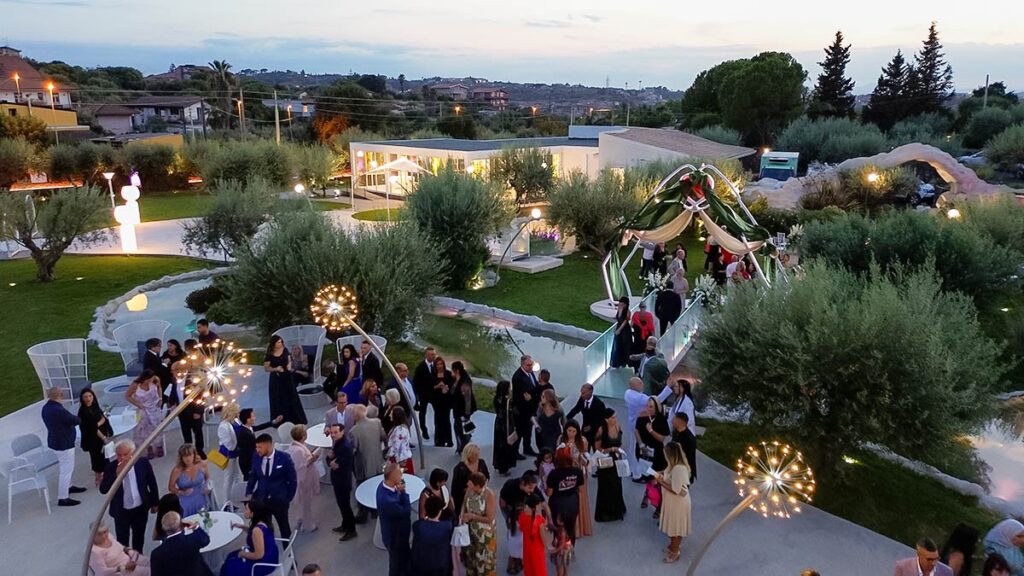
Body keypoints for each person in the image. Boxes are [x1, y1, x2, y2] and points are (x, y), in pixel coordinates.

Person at [101, 440, 161, 553]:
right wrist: (116, 475)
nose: (122, 458)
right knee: (122, 540)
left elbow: (151, 482)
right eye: (119, 455)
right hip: (121, 511)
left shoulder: (142, 463)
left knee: (139, 537)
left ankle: (138, 557)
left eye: (125, 454)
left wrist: (155, 502)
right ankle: (125, 559)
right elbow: (103, 489)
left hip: (140, 508)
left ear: (132, 453)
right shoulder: (111, 467)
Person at [246, 433, 297, 540]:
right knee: (264, 529)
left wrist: (288, 498)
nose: (257, 450)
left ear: (268, 445)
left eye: (260, 447)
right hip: (261, 500)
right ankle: (267, 548)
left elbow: (292, 480)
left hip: (279, 501)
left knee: (284, 527)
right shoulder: (256, 456)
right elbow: (253, 476)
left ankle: (288, 548)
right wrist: (249, 493)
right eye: (256, 447)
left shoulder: (284, 458)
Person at [499, 472, 545, 576]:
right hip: (510, 510)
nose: (532, 491)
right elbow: (503, 504)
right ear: (523, 483)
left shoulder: (532, 489)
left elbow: (543, 503)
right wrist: (510, 517)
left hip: (520, 513)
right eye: (530, 488)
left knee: (517, 536)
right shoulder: (510, 486)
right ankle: (514, 560)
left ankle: (517, 558)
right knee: (514, 534)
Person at [220, 500, 279, 576]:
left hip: (264, 563)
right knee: (232, 555)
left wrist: (242, 554)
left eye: (246, 509)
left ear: (253, 513)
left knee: (229, 567)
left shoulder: (257, 530)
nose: (243, 511)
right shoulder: (263, 522)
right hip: (271, 555)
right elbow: (254, 535)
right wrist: (241, 526)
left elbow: (259, 555)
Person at [656, 442, 692, 563]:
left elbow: (676, 490)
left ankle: (675, 552)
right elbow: (671, 478)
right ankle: (673, 546)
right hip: (674, 502)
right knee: (674, 526)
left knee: (675, 528)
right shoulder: (674, 466)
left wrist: (660, 482)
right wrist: (660, 474)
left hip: (678, 503)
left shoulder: (678, 469)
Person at [150, 512, 212, 576]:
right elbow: (205, 539)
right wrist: (196, 527)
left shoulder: (156, 554)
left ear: (163, 528)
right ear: (181, 525)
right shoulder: (191, 540)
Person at [378, 462, 413, 576]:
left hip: (397, 535)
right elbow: (406, 511)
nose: (401, 476)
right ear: (392, 476)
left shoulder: (383, 486)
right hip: (396, 539)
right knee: (396, 565)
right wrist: (404, 493)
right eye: (399, 474)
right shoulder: (388, 501)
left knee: (404, 560)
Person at [558, 421, 592, 538]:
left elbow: (585, 455)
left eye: (574, 431)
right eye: (569, 431)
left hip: (579, 473)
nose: (571, 433)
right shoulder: (561, 440)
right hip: (565, 473)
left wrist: (585, 460)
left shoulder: (582, 441)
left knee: (579, 499)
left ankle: (579, 528)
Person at [172, 340, 206, 456]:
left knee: (197, 432)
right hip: (181, 411)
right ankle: (189, 451)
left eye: (175, 370)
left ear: (181, 370)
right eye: (172, 371)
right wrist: (172, 404)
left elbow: (202, 396)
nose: (173, 373)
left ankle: (200, 450)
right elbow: (173, 394)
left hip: (193, 410)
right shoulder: (175, 381)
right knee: (186, 432)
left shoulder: (193, 380)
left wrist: (198, 411)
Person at [264, 335, 307, 426]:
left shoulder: (285, 350)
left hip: (287, 377)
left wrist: (289, 365)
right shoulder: (269, 354)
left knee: (291, 396)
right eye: (278, 342)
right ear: (274, 343)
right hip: (276, 379)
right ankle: (280, 420)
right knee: (279, 398)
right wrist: (276, 369)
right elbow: (266, 368)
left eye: (281, 342)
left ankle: (296, 418)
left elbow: (289, 360)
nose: (280, 344)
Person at [593, 408, 626, 522]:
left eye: (615, 417)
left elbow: (620, 442)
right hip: (605, 461)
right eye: (612, 417)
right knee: (606, 486)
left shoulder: (618, 427)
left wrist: (619, 450)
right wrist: (611, 449)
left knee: (617, 484)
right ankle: (606, 513)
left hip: (616, 459)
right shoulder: (601, 430)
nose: (615, 419)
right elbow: (597, 448)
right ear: (606, 419)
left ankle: (617, 509)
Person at [287, 424, 321, 533]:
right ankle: (308, 525)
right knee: (306, 502)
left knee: (302, 501)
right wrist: (313, 458)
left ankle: (300, 519)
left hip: (303, 477)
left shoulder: (295, 446)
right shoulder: (298, 450)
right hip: (304, 478)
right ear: (303, 436)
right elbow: (301, 466)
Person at [462, 472, 498, 576]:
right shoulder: (469, 490)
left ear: (477, 486)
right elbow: (464, 503)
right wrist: (462, 514)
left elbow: (489, 518)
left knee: (484, 561)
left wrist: (472, 516)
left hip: (485, 534)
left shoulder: (489, 495)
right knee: (471, 558)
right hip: (471, 531)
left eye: (470, 483)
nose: (468, 484)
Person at [545, 448, 583, 546]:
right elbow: (581, 489)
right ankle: (570, 546)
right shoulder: (577, 471)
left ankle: (557, 544)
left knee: (557, 526)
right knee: (571, 526)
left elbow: (549, 493)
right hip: (572, 502)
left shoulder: (553, 474)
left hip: (557, 503)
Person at [326, 423, 357, 541]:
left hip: (343, 481)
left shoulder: (344, 446)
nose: (333, 435)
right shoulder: (338, 443)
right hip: (338, 480)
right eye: (331, 432)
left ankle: (352, 530)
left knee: (345, 506)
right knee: (341, 505)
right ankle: (345, 525)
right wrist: (330, 460)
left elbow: (340, 465)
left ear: (342, 432)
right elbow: (330, 460)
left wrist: (331, 462)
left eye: (335, 432)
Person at [78, 387, 114, 487]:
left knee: (105, 458)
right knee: (97, 460)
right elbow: (90, 427)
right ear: (82, 399)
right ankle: (98, 479)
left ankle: (106, 478)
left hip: (100, 437)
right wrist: (103, 437)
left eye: (90, 396)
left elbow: (102, 419)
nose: (88, 398)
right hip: (93, 440)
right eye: (85, 397)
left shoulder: (95, 407)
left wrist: (107, 432)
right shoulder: (83, 411)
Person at [126, 370, 165, 459]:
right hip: (142, 408)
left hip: (154, 406)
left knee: (156, 426)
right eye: (148, 380)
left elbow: (159, 387)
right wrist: (138, 404)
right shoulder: (136, 385)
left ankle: (159, 445)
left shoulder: (156, 379)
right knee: (144, 428)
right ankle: (149, 447)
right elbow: (127, 396)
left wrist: (160, 398)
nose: (150, 381)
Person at [236, 409, 282, 483]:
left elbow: (259, 427)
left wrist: (273, 422)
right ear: (248, 420)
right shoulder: (244, 433)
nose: (255, 418)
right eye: (253, 416)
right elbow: (249, 451)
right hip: (248, 463)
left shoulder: (247, 428)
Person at [412, 496, 454, 576]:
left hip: (422, 566)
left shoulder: (418, 526)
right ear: (439, 511)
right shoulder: (447, 526)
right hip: (440, 566)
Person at [168, 443, 210, 517]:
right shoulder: (177, 470)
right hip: (185, 501)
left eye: (190, 455)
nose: (188, 458)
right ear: (181, 457)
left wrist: (206, 487)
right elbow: (171, 487)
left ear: (194, 455)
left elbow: (208, 477)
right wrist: (181, 492)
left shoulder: (202, 464)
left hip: (202, 497)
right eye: (185, 456)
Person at [452, 443, 491, 518]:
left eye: (478, 454)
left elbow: (487, 476)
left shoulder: (481, 463)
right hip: (465, 497)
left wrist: (484, 486)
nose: (477, 457)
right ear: (468, 455)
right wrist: (471, 490)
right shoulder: (459, 469)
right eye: (475, 455)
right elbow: (456, 489)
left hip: (481, 495)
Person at [512, 355, 540, 457]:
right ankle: (515, 451)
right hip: (521, 409)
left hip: (530, 408)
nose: (531, 367)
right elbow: (525, 394)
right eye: (528, 365)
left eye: (531, 365)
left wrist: (535, 394)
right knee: (520, 430)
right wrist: (534, 395)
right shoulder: (518, 377)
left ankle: (527, 448)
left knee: (528, 430)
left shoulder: (530, 372)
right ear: (522, 364)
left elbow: (535, 387)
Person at [622, 377, 649, 483]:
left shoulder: (627, 393)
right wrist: (668, 389)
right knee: (635, 449)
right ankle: (637, 474)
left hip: (631, 424)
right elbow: (656, 401)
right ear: (635, 386)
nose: (643, 384)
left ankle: (631, 469)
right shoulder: (640, 398)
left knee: (632, 448)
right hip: (637, 426)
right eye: (640, 383)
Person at [566, 384, 606, 449]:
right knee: (583, 449)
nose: (582, 395)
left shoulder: (599, 404)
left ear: (590, 392)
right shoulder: (582, 400)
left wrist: (591, 426)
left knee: (596, 450)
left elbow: (601, 419)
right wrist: (566, 418)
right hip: (585, 430)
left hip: (595, 432)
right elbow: (576, 409)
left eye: (583, 393)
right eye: (581, 393)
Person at [217, 403, 242, 503]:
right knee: (228, 478)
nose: (239, 413)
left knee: (237, 475)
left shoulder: (236, 421)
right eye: (237, 411)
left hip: (235, 452)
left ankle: (237, 497)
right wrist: (238, 448)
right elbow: (229, 445)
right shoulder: (223, 426)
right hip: (228, 454)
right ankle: (226, 501)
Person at [492, 380, 519, 476]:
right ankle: (504, 467)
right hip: (507, 425)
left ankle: (498, 464)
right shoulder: (508, 401)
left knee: (499, 445)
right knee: (506, 446)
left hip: (498, 424)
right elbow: (515, 413)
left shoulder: (496, 398)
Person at [452, 360, 478, 455]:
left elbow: (467, 399)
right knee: (459, 428)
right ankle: (461, 446)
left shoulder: (464, 382)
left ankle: (464, 448)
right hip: (458, 409)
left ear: (457, 370)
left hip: (462, 411)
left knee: (461, 430)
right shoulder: (457, 379)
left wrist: (466, 413)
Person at [519, 494, 549, 576]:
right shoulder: (539, 520)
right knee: (539, 569)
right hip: (537, 550)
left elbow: (521, 529)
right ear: (535, 507)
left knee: (529, 568)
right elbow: (543, 537)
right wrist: (546, 547)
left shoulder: (522, 516)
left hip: (527, 548)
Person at [412, 347, 437, 440]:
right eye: (431, 354)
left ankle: (438, 429)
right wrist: (418, 396)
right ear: (426, 355)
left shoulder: (436, 366)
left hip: (434, 394)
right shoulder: (420, 368)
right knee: (423, 413)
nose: (433, 356)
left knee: (438, 412)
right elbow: (416, 383)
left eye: (434, 354)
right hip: (424, 395)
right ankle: (424, 430)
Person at [431, 356, 455, 448]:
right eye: (438, 364)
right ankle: (439, 441)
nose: (440, 366)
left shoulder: (448, 374)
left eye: (441, 364)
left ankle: (449, 440)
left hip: (446, 401)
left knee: (446, 420)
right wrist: (437, 386)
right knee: (438, 421)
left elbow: (453, 385)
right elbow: (430, 387)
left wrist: (447, 387)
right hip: (437, 401)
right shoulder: (433, 375)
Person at [533, 389, 565, 453]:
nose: (541, 398)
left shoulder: (559, 411)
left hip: (554, 436)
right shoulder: (540, 409)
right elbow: (537, 420)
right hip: (543, 436)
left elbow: (563, 424)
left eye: (543, 396)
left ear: (549, 398)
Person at [386, 406, 415, 474]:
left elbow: (397, 447)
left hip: (400, 460)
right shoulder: (399, 427)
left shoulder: (400, 430)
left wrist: (389, 457)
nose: (389, 415)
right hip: (400, 458)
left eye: (391, 413)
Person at [671, 412, 698, 484]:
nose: (672, 421)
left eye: (674, 419)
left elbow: (688, 458)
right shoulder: (675, 433)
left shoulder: (689, 439)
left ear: (680, 421)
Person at [337, 344, 363, 409]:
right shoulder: (356, 358)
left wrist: (345, 384)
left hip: (353, 382)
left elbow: (351, 375)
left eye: (347, 352)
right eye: (344, 352)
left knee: (343, 393)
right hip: (357, 380)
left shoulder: (352, 361)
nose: (345, 354)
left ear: (351, 352)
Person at [610, 297, 632, 369]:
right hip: (619, 327)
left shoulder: (628, 311)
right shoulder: (619, 309)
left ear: (625, 304)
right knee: (618, 345)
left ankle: (624, 362)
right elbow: (618, 318)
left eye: (622, 304)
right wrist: (620, 310)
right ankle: (617, 362)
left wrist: (619, 330)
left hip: (625, 330)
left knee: (625, 345)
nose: (620, 305)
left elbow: (625, 322)